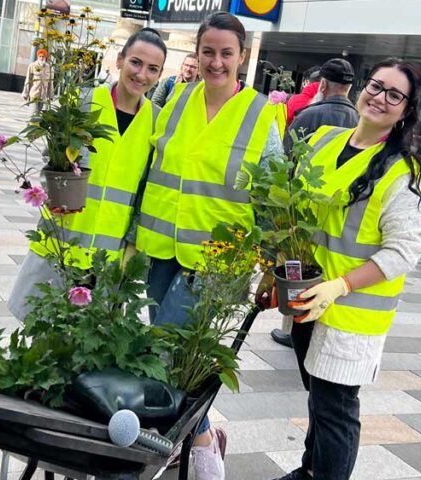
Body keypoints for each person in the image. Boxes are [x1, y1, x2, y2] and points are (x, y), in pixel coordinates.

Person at [135, 12, 282, 480]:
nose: (216, 62)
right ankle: (203, 435)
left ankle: (188, 455)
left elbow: (276, 196)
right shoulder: (176, 100)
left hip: (218, 262)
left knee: (169, 358)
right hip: (160, 248)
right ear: (196, 54)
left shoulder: (261, 115)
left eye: (226, 53)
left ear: (242, 57)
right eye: (208, 51)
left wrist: (271, 266)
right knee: (174, 357)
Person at [270, 58, 421, 480]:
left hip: (351, 316)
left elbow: (404, 251)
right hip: (309, 298)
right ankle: (310, 470)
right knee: (319, 403)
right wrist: (275, 276)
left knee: (337, 411)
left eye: (395, 95)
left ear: (406, 111)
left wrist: (340, 285)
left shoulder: (402, 174)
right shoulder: (325, 141)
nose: (381, 98)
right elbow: (299, 220)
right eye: (377, 87)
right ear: (363, 87)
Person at [9, 28, 167, 319]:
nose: (141, 74)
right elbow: (51, 159)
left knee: (87, 342)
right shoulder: (82, 101)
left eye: (152, 69)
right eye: (135, 62)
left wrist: (132, 249)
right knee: (44, 332)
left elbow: (147, 190)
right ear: (119, 60)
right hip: (63, 236)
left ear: (159, 74)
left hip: (107, 254)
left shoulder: (157, 121)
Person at [270, 58, 359, 349]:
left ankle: (293, 323)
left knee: (296, 266)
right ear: (349, 88)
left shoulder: (308, 116)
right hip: (340, 214)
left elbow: (284, 163)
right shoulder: (360, 120)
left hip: (302, 209)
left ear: (322, 84)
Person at [22, 48, 52, 115]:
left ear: (45, 57)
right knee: (33, 113)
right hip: (34, 94)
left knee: (38, 115)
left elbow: (50, 82)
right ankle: (31, 124)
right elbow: (28, 80)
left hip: (43, 96)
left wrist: (50, 95)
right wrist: (25, 93)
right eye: (40, 56)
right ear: (37, 57)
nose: (41, 58)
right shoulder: (32, 66)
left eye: (43, 56)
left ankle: (32, 125)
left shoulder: (48, 67)